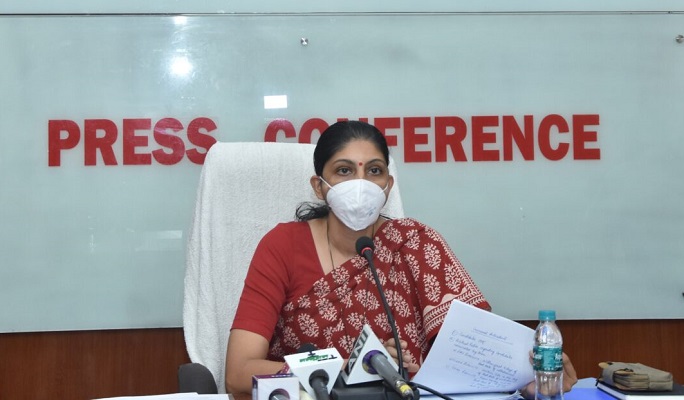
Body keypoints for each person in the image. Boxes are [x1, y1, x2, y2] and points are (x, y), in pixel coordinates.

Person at [224, 120, 577, 398]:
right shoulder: (282, 246)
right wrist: (354, 366)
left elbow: (472, 353)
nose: (360, 183)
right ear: (319, 186)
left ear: (388, 185)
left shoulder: (415, 243)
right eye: (344, 171)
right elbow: (239, 372)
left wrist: (531, 376)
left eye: (373, 170)